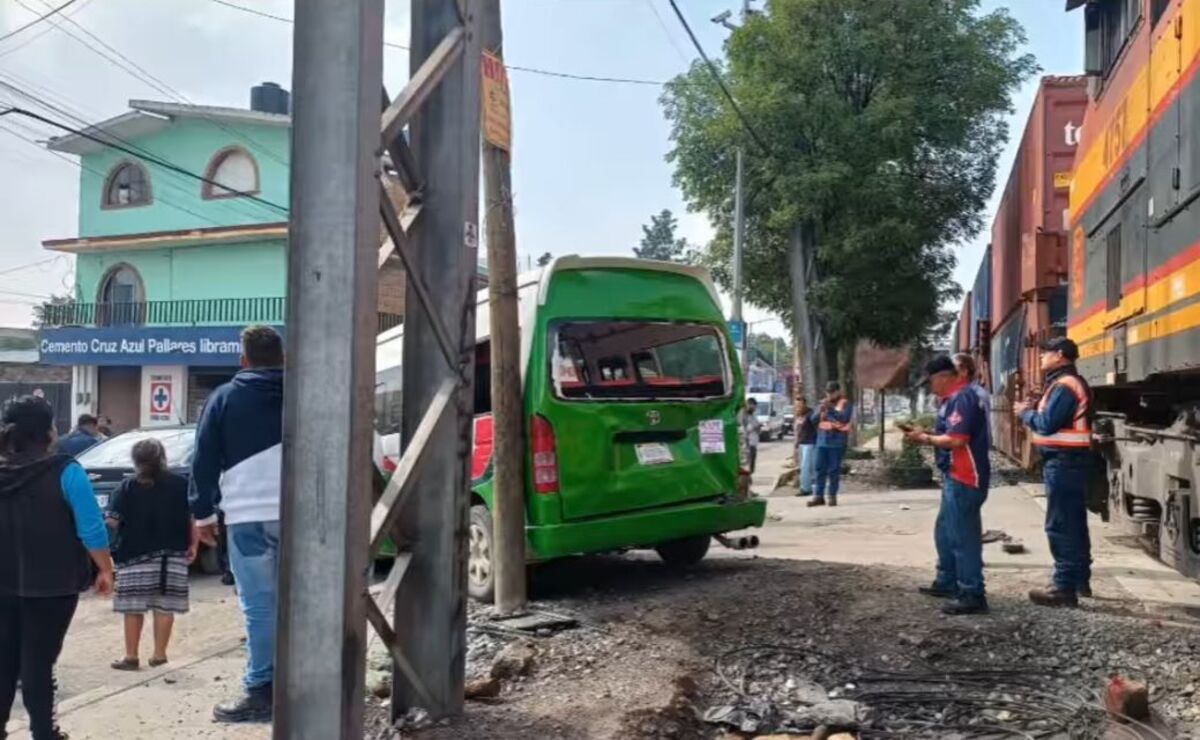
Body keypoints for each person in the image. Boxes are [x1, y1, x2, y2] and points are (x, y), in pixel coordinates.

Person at [0, 396, 115, 740]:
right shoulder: (67, 471)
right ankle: (44, 732)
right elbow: (91, 527)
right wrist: (106, 569)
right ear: (49, 432)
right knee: (39, 662)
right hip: (53, 586)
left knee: (4, 661)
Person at [189, 325, 283, 723]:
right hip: (307, 515)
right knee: (308, 603)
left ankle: (262, 690)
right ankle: (313, 682)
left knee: (260, 607)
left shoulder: (224, 397)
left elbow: (204, 458)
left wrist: (203, 514)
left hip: (247, 516)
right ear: (282, 358)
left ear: (243, 361)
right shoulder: (307, 390)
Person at [905, 356, 991, 615]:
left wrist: (925, 439)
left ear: (944, 376)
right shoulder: (954, 400)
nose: (931, 388)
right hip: (955, 475)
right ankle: (948, 580)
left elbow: (957, 440)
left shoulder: (961, 399)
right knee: (945, 531)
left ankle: (972, 593)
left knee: (963, 538)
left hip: (965, 476)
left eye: (931, 382)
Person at [1014, 337, 1094, 607]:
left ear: (1060, 355)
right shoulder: (1066, 383)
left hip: (1064, 463)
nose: (1040, 358)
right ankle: (1079, 580)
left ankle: (1063, 588)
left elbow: (1047, 424)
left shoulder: (1065, 385)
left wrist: (1025, 414)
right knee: (1075, 524)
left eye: (1045, 353)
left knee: (1060, 525)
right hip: (1070, 462)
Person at [107, 438, 197, 672]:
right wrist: (193, 544)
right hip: (172, 555)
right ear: (162, 458)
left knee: (133, 608)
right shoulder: (180, 484)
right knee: (164, 607)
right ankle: (159, 655)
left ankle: (131, 656)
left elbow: (112, 521)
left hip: (133, 555)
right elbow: (192, 518)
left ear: (135, 461)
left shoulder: (125, 487)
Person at [808, 381, 853, 507]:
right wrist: (821, 410)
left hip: (837, 442)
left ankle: (832, 496)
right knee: (819, 469)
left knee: (833, 470)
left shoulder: (845, 403)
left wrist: (831, 409)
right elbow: (813, 420)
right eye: (828, 392)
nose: (830, 395)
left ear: (838, 391)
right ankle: (818, 496)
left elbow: (844, 418)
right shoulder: (822, 403)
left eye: (832, 392)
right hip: (822, 441)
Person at [793, 396, 818, 497]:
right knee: (805, 467)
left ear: (804, 404)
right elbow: (798, 431)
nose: (798, 407)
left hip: (810, 443)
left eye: (800, 404)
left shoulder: (810, 414)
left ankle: (805, 488)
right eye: (796, 405)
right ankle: (809, 486)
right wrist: (796, 443)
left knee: (806, 467)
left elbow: (816, 426)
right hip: (802, 443)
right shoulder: (799, 415)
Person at [741, 398, 762, 474]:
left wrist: (758, 428)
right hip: (748, 443)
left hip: (754, 443)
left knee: (752, 465)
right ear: (748, 405)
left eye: (755, 407)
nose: (754, 409)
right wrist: (754, 427)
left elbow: (757, 428)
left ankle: (749, 477)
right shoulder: (744, 416)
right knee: (748, 464)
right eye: (752, 406)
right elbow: (743, 430)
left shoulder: (753, 416)